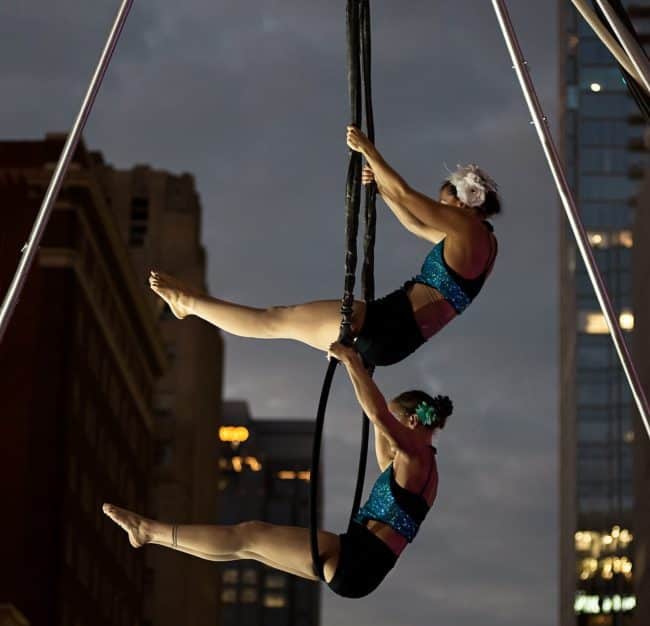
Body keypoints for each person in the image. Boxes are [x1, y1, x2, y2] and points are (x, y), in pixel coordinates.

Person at [102, 342, 452, 599]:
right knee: (246, 543)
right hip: (359, 567)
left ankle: (149, 531)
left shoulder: (416, 454)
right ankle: (151, 534)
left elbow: (379, 416)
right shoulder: (419, 470)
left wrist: (351, 361)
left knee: (248, 536)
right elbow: (379, 426)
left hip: (355, 558)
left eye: (397, 422)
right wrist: (366, 377)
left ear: (410, 421)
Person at [148, 126, 499, 368]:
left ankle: (188, 304)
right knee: (278, 320)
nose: (442, 212)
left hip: (388, 325)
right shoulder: (484, 246)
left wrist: (368, 150)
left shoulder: (464, 225)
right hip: (394, 334)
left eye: (444, 204)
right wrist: (380, 189)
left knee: (276, 320)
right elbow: (415, 223)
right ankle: (189, 304)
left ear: (464, 204)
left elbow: (408, 195)